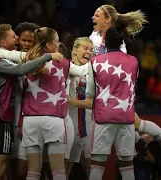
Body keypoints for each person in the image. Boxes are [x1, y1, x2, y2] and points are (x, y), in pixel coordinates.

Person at [88, 5, 161, 166]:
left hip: (114, 89)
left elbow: (118, 69)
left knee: (134, 123)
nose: (93, 18)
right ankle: (144, 142)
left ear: (108, 19)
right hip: (106, 89)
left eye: (97, 15)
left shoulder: (118, 42)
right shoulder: (95, 35)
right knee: (132, 123)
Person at [0, 24, 63, 180]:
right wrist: (47, 57)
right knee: (1, 167)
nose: (18, 40)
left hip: (7, 117)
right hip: (1, 117)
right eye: (14, 37)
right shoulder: (0, 61)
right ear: (3, 43)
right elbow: (20, 70)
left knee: (7, 167)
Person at [86, 25, 140, 180]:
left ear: (104, 40)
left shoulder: (94, 61)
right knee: (127, 169)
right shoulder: (134, 61)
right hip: (126, 119)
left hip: (103, 119)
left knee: (97, 167)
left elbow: (90, 92)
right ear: (122, 41)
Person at [19, 27, 69, 180]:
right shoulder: (64, 63)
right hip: (53, 120)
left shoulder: (26, 60)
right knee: (58, 171)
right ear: (48, 45)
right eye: (57, 40)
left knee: (33, 171)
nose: (59, 43)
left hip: (30, 121)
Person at [66, 37, 94, 178]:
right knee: (64, 172)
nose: (89, 52)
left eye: (91, 50)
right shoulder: (65, 69)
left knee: (94, 172)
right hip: (69, 127)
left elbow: (93, 103)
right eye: (85, 48)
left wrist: (72, 101)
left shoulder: (94, 74)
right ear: (74, 51)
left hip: (89, 129)